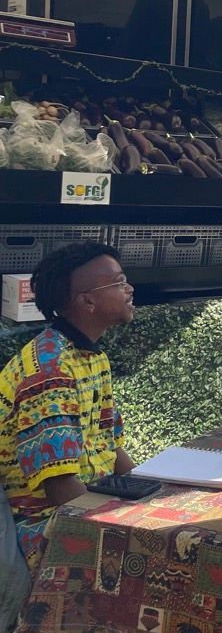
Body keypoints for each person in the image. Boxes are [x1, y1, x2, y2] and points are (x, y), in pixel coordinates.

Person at [0, 243, 135, 569]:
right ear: (86, 301)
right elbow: (59, 487)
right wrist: (130, 526)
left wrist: (152, 495)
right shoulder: (50, 372)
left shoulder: (92, 358)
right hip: (44, 525)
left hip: (91, 502)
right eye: (118, 282)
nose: (129, 288)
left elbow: (112, 449)